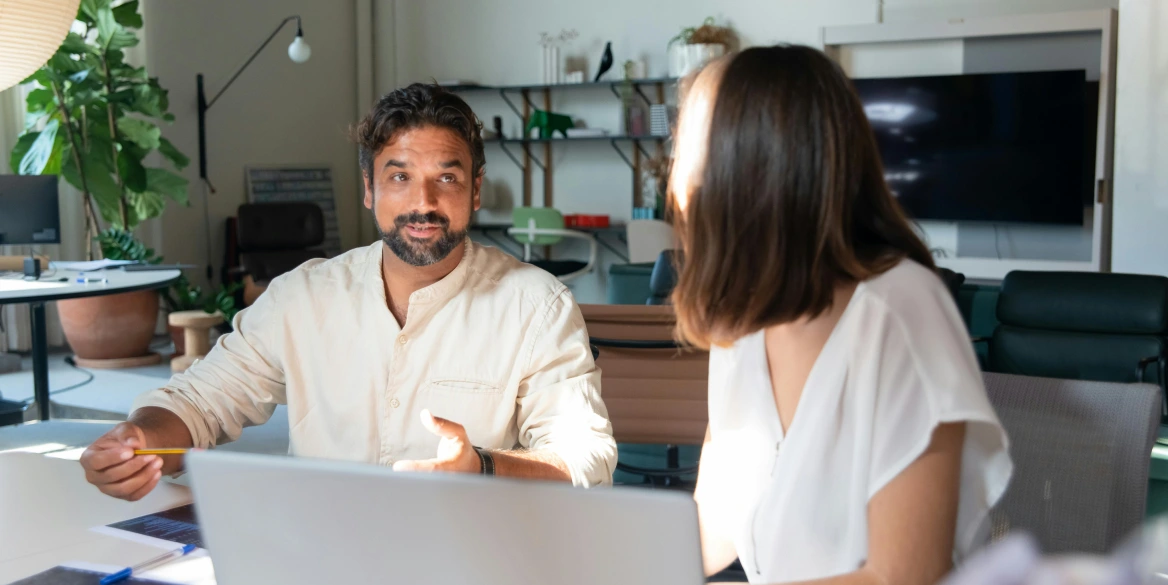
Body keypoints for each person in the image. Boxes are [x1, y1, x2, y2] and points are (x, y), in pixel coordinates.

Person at [79, 83, 617, 500]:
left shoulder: (537, 306)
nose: (422, 202)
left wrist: (483, 467)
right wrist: (142, 443)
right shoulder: (303, 298)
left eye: (446, 178)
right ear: (368, 188)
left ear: (475, 190)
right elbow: (199, 403)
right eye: (399, 177)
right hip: (317, 551)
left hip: (465, 554)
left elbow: (583, 463)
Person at [670, 46, 1013, 584]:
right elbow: (715, 524)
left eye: (684, 154)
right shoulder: (742, 320)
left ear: (748, 171)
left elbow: (900, 577)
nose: (676, 187)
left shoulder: (902, 315)